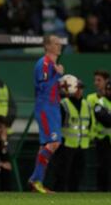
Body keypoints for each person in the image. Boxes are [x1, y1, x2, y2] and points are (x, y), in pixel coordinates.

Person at [29, 35, 64, 193]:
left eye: (59, 43)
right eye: (56, 43)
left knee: (46, 145)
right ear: (47, 46)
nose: (59, 46)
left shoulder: (53, 65)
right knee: (54, 143)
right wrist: (58, 75)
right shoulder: (44, 63)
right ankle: (35, 180)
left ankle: (38, 183)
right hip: (45, 107)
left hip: (54, 107)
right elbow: (43, 87)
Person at [53, 78, 92, 191]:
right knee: (61, 175)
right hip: (66, 145)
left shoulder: (86, 104)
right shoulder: (64, 104)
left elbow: (89, 123)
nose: (79, 91)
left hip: (81, 145)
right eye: (76, 88)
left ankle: (73, 198)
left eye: (80, 88)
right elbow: (57, 124)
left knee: (77, 175)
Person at [94, 80, 111, 191]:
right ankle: (102, 191)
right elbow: (106, 120)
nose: (109, 92)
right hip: (103, 141)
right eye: (108, 89)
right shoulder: (100, 102)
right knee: (104, 168)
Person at [87, 70, 110, 139]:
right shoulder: (90, 98)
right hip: (96, 140)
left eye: (99, 80)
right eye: (95, 80)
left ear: (106, 81)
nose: (96, 83)